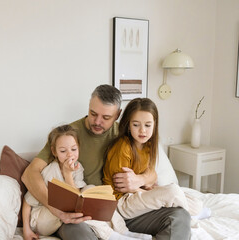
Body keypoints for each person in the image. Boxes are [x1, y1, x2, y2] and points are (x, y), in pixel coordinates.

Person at [21, 84, 191, 240]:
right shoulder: (69, 136)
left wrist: (140, 180)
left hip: (121, 211)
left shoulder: (125, 133)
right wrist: (56, 210)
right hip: (82, 216)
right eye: (93, 113)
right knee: (78, 232)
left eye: (106, 117)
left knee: (179, 217)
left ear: (118, 114)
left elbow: (152, 171)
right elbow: (30, 174)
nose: (97, 121)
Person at [22, 124, 151, 240]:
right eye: (63, 151)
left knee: (89, 190)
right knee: (76, 208)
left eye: (73, 149)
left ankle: (124, 231)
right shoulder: (49, 172)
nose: (69, 155)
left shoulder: (78, 167)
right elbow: (28, 201)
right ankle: (113, 236)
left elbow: (75, 197)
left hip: (63, 217)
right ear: (54, 151)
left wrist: (70, 174)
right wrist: (26, 230)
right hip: (42, 219)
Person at [103, 98, 205, 221]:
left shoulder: (148, 146)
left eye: (147, 125)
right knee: (172, 191)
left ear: (154, 124)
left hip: (138, 194)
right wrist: (148, 190)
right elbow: (122, 188)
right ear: (128, 125)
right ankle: (191, 216)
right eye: (136, 125)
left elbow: (152, 176)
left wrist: (144, 185)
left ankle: (193, 212)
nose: (142, 130)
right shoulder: (123, 147)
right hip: (121, 202)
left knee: (193, 200)